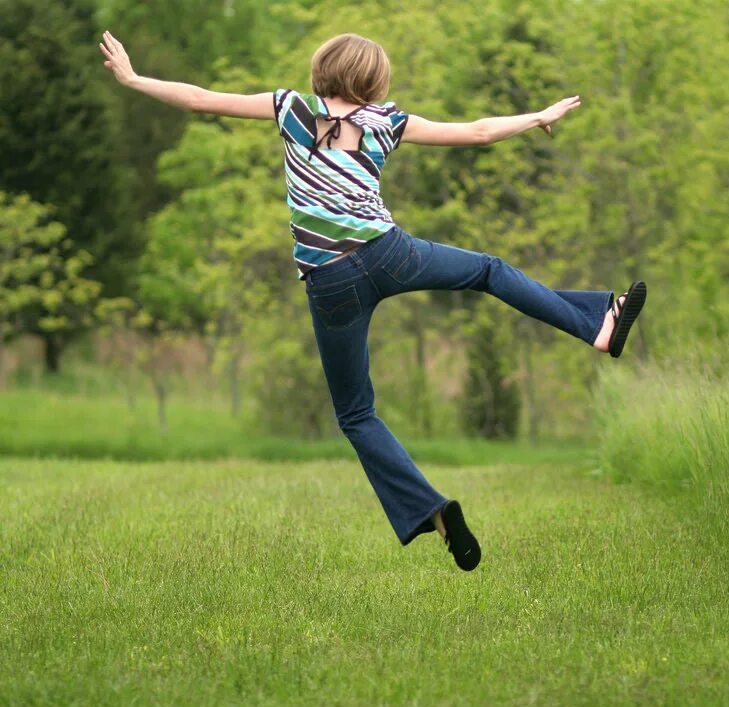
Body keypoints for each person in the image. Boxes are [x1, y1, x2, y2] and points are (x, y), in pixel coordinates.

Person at [99, 30, 647, 572]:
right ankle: (596, 323)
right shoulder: (387, 120)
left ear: (323, 69)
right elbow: (479, 133)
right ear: (374, 80)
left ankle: (431, 510)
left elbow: (198, 98)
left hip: (330, 279)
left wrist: (133, 78)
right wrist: (536, 118)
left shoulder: (291, 108)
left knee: (357, 413)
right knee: (488, 270)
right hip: (389, 254)